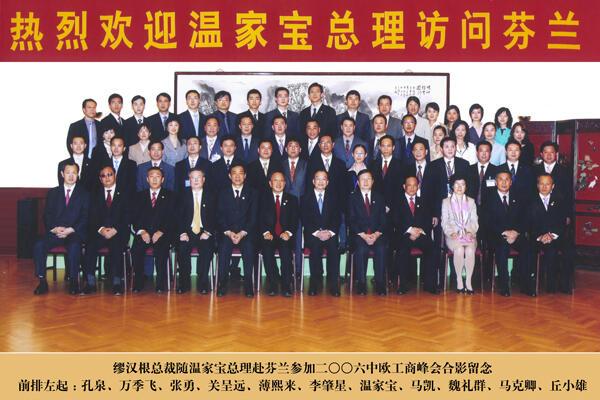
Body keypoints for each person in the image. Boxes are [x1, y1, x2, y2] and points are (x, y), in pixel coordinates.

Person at [33, 162, 90, 295]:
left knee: (75, 246)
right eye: (68, 172)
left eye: (74, 173)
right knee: (39, 245)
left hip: (73, 232)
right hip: (56, 232)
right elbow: (47, 214)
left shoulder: (84, 194)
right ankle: (42, 281)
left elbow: (85, 216)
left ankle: (74, 282)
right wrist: (54, 228)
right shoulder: (53, 193)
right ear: (62, 174)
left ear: (78, 175)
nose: (71, 176)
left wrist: (72, 229)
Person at [429, 136, 470, 289]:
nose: (450, 149)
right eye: (446, 146)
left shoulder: (464, 164)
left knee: (457, 242)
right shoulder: (433, 166)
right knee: (439, 245)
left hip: (460, 212)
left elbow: (469, 189)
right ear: (441, 149)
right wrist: (434, 214)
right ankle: (439, 279)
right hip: (440, 211)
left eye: (452, 146)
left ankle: (455, 276)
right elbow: (429, 192)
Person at [483, 171, 532, 297]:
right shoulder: (488, 198)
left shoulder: (518, 197)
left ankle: (525, 285)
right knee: (502, 248)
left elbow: (525, 219)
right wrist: (504, 232)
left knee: (527, 247)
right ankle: (504, 286)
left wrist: (516, 232)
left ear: (511, 182)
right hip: (496, 235)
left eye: (507, 180)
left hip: (515, 234)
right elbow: (487, 221)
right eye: (501, 179)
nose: (504, 183)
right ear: (496, 182)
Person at [83, 165, 129, 295]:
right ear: (100, 179)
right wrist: (101, 229)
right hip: (99, 232)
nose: (107, 178)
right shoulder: (94, 194)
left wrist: (115, 229)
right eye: (103, 175)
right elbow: (91, 216)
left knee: (116, 246)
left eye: (110, 174)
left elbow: (127, 216)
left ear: (115, 176)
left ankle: (116, 283)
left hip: (118, 232)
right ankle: (90, 282)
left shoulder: (125, 193)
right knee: (90, 246)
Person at [216, 165, 258, 297]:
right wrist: (229, 232)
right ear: (230, 176)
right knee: (223, 248)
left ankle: (248, 285)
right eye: (234, 173)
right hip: (227, 233)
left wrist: (242, 233)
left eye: (241, 173)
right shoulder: (222, 193)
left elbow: (253, 217)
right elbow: (219, 216)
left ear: (245, 176)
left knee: (249, 248)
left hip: (245, 233)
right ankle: (222, 284)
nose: (237, 176)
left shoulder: (253, 193)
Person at [131, 167, 175, 293]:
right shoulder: (139, 196)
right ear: (147, 179)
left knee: (161, 251)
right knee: (136, 250)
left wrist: (161, 231)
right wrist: (142, 231)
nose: (154, 179)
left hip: (162, 233)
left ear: (163, 179)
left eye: (157, 176)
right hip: (144, 233)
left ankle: (161, 284)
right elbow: (135, 217)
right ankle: (138, 282)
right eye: (151, 176)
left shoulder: (171, 196)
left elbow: (172, 217)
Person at [300, 170, 341, 296]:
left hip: (330, 233)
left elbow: (337, 218)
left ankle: (333, 284)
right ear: (313, 181)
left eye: (324, 179)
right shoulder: (305, 198)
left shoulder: (334, 197)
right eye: (318, 179)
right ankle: (314, 282)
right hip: (313, 234)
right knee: (315, 247)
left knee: (334, 248)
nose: (321, 182)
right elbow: (305, 219)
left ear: (327, 182)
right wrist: (317, 233)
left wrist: (329, 232)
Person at [176, 168, 216, 294]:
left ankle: (202, 283)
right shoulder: (182, 195)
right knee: (182, 248)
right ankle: (184, 282)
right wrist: (182, 232)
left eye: (199, 177)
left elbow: (216, 216)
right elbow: (177, 216)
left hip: (205, 231)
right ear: (189, 180)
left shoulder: (211, 195)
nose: (196, 180)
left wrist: (208, 232)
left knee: (206, 248)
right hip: (187, 231)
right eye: (193, 178)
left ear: (203, 179)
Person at [529, 174, 571, 294]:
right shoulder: (530, 201)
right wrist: (541, 236)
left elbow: (562, 222)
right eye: (541, 184)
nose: (544, 187)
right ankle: (550, 285)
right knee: (550, 250)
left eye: (547, 184)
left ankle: (565, 284)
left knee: (569, 249)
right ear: (537, 185)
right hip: (537, 238)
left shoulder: (559, 200)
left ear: (552, 186)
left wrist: (552, 235)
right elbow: (528, 223)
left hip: (555, 236)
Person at [259, 172, 299, 297]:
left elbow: (295, 220)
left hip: (285, 235)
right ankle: (273, 283)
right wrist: (265, 232)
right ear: (270, 183)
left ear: (285, 183)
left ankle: (286, 285)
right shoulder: (263, 199)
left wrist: (288, 233)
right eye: (275, 180)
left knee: (286, 252)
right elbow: (258, 218)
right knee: (267, 250)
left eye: (281, 180)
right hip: (269, 235)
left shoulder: (292, 199)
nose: (278, 183)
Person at [393, 176, 435, 294]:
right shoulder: (397, 201)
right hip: (404, 235)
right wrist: (410, 230)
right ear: (404, 186)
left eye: (415, 185)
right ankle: (403, 285)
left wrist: (420, 230)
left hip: (420, 234)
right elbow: (395, 220)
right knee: (402, 250)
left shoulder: (423, 201)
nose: (412, 188)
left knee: (432, 248)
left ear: (418, 186)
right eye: (409, 185)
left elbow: (428, 220)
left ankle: (429, 284)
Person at [348, 170, 387, 296]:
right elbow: (351, 220)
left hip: (377, 234)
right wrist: (363, 235)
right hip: (359, 235)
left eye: (368, 179)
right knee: (361, 249)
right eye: (362, 179)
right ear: (358, 182)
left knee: (381, 248)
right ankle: (361, 284)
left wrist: (376, 234)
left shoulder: (379, 197)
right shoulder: (352, 198)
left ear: (373, 181)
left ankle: (380, 283)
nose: (365, 182)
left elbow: (383, 220)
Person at [441, 175, 479, 294]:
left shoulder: (471, 201)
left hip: (469, 234)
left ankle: (468, 281)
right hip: (453, 235)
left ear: (466, 187)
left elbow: (474, 221)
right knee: (459, 250)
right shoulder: (446, 202)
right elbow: (444, 221)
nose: (459, 187)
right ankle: (459, 279)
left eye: (462, 184)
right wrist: (451, 233)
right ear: (452, 186)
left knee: (469, 250)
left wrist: (470, 232)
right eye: (457, 184)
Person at [281, 139, 308, 278]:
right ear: (286, 149)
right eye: (290, 146)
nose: (293, 148)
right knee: (284, 238)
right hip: (284, 207)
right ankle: (286, 271)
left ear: (300, 149)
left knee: (298, 239)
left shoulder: (306, 164)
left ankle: (297, 270)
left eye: (296, 146)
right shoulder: (280, 164)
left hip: (301, 206)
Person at [534, 141, 573, 223]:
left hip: (559, 211)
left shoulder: (565, 171)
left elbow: (568, 194)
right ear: (541, 154)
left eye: (551, 152)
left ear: (556, 154)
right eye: (546, 152)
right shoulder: (534, 170)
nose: (549, 155)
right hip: (538, 212)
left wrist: (568, 215)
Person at [467, 140, 500, 208]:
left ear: (490, 153)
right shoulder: (468, 169)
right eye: (481, 151)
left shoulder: (497, 171)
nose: (484, 154)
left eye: (487, 151)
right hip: (470, 207)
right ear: (477, 153)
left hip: (490, 208)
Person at [109, 135, 138, 202]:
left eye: (119, 146)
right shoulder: (104, 164)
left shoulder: (131, 164)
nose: (116, 148)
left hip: (125, 199)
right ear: (110, 147)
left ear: (124, 148)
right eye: (113, 145)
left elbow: (132, 185)